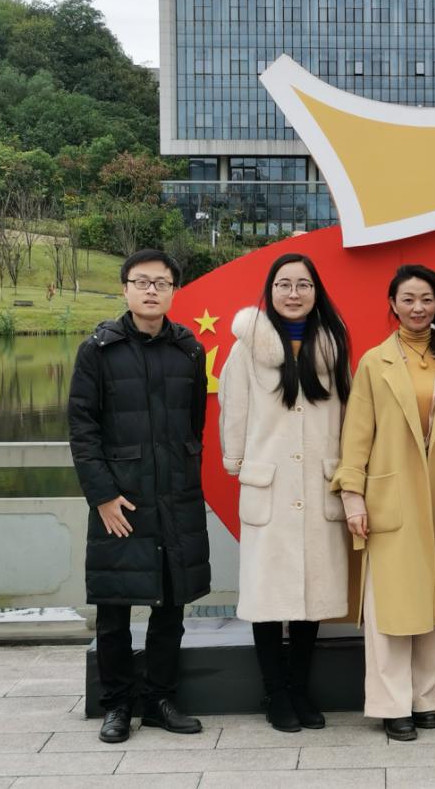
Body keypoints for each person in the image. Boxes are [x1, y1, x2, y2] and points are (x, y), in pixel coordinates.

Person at [334, 264, 435, 741]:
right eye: (408, 299)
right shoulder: (374, 362)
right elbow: (356, 435)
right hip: (389, 497)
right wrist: (353, 498)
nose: (418, 308)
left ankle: (424, 701)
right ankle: (390, 704)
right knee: (391, 608)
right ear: (393, 304)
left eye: (426, 299)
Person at [68, 249, 210, 744]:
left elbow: (194, 424)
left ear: (174, 290)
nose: (152, 290)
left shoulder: (189, 349)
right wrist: (103, 496)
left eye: (161, 283)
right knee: (114, 610)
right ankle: (116, 705)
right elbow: (82, 429)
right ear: (125, 288)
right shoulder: (98, 350)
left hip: (175, 496)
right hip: (121, 502)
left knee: (171, 607)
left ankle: (160, 701)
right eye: (142, 281)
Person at [218, 253, 352, 732]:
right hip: (269, 487)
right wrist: (237, 462)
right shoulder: (246, 348)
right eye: (283, 284)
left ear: (316, 291)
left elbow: (347, 415)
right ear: (270, 290)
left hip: (320, 484)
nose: (293, 293)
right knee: (269, 598)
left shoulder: (332, 346)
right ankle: (275, 693)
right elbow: (233, 409)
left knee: (312, 597)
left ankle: (300, 690)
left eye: (303, 284)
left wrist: (348, 470)